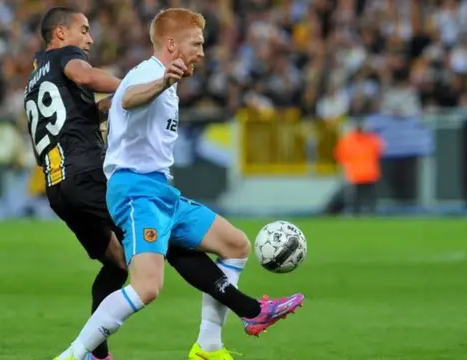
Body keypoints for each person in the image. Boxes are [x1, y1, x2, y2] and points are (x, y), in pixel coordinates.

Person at [26, 7, 284, 360]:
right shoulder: (77, 61)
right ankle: (247, 310)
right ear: (59, 33)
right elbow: (96, 81)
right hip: (93, 176)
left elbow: (90, 114)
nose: (89, 38)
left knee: (121, 264)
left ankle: (101, 354)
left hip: (59, 184)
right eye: (83, 30)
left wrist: (114, 107)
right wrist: (128, 88)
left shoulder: (36, 78)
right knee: (166, 252)